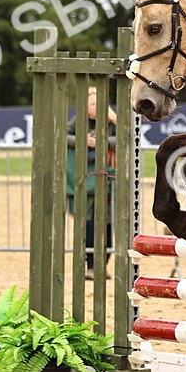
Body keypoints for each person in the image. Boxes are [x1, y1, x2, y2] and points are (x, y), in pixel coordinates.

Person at [66, 87, 118, 278]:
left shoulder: (112, 122)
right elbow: (64, 136)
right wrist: (83, 140)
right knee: (88, 223)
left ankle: (102, 266)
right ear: (86, 106)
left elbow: (124, 138)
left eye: (99, 103)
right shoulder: (78, 121)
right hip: (85, 180)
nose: (97, 107)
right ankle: (90, 266)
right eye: (93, 103)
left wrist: (103, 141)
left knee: (108, 223)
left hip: (109, 179)